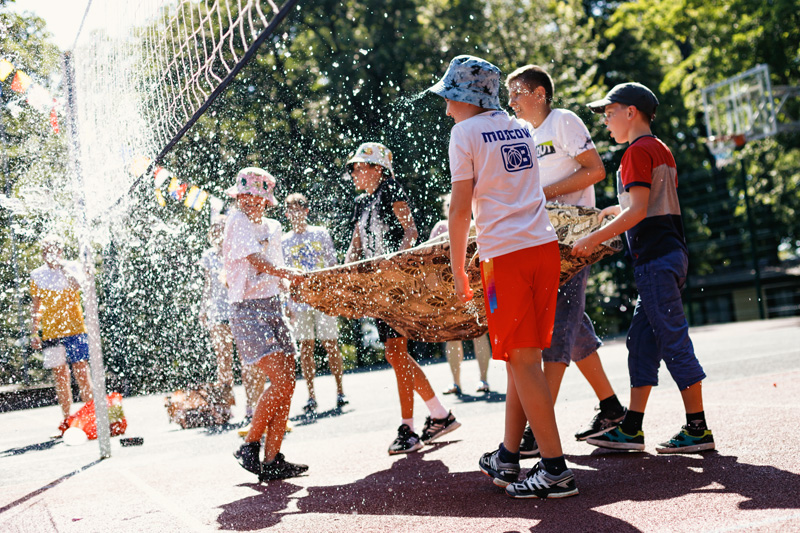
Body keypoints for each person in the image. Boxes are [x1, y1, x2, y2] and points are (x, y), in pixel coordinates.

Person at [429, 55, 578, 499]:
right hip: (542, 250)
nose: (446, 105)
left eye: (450, 96)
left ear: (466, 97)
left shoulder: (464, 133)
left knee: (523, 361)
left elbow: (459, 209)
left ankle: (555, 470)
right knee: (522, 359)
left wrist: (459, 270)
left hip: (504, 258)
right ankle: (508, 458)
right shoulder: (520, 126)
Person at [572, 82, 715, 454]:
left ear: (630, 112)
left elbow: (638, 211)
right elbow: (644, 204)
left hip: (656, 260)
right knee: (641, 340)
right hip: (667, 257)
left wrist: (591, 239)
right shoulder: (659, 149)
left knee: (673, 339)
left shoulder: (635, 153)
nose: (605, 122)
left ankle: (697, 427)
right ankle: (632, 428)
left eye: (609, 112)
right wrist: (613, 211)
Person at [505, 65, 626, 456]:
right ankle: (611, 409)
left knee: (558, 329)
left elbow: (596, 170)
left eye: (517, 92)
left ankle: (538, 433)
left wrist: (543, 194)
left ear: (540, 93)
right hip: (539, 239)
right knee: (574, 329)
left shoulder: (563, 121)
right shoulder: (521, 133)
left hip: (573, 240)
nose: (511, 101)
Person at [345, 141, 460, 455]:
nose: (354, 172)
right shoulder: (361, 202)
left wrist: (398, 261)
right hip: (378, 287)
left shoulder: (392, 191)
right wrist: (345, 272)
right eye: (353, 167)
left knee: (396, 353)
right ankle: (438, 414)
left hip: (396, 284)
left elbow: (410, 230)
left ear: (378, 169)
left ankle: (411, 426)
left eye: (360, 167)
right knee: (395, 355)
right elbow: (356, 245)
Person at [225, 167, 308, 482]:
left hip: (273, 307)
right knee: (281, 379)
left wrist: (290, 288)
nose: (253, 202)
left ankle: (272, 458)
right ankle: (250, 444)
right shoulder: (236, 222)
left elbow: (274, 270)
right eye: (248, 195)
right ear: (240, 196)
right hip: (246, 309)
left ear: (266, 200)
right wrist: (288, 273)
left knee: (287, 383)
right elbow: (258, 262)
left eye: (259, 197)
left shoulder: (273, 226)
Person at [281, 192, 348, 413]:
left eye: (298, 209)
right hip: (300, 301)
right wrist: (288, 304)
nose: (294, 214)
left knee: (330, 344)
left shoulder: (320, 234)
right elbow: (283, 275)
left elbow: (332, 263)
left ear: (306, 211)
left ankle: (340, 391)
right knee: (305, 347)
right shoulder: (285, 240)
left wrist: (335, 293)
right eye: (290, 210)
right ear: (287, 214)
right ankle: (311, 395)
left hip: (323, 297)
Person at [428, 194, 492, 395]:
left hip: (474, 287)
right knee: (452, 336)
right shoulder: (440, 227)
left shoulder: (474, 224)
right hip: (448, 289)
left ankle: (484, 380)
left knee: (479, 334)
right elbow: (428, 255)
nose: (451, 207)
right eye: (448, 204)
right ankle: (456, 382)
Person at [30, 235, 94, 431]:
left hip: (75, 330)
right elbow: (36, 306)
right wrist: (34, 331)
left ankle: (91, 415)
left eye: (52, 249)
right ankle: (67, 419)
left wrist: (62, 267)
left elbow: (78, 286)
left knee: (81, 372)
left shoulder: (72, 267)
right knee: (60, 376)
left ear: (60, 251)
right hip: (51, 333)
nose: (48, 254)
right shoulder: (37, 275)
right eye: (45, 250)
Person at [199, 215, 236, 412]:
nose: (217, 232)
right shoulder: (209, 256)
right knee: (223, 358)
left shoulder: (235, 252)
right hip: (217, 310)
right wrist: (203, 309)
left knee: (246, 357)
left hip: (237, 309)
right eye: (214, 228)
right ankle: (226, 402)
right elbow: (208, 285)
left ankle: (251, 402)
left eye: (221, 228)